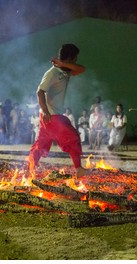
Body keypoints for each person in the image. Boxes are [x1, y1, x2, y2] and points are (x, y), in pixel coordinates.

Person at [28, 43, 89, 178]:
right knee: (72, 137)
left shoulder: (65, 70)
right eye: (75, 58)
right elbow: (39, 92)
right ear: (70, 58)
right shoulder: (52, 73)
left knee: (41, 144)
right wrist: (45, 111)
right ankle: (79, 169)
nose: (76, 62)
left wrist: (62, 63)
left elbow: (81, 69)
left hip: (52, 116)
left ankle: (28, 170)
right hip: (51, 115)